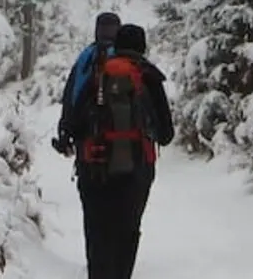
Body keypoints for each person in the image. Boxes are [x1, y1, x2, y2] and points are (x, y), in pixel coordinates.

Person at [69, 24, 174, 279]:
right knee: (127, 231)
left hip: (95, 166)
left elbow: (74, 122)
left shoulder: (97, 73)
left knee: (97, 231)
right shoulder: (149, 76)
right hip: (136, 172)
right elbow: (166, 134)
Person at [55, 12, 122, 156]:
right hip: (126, 145)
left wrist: (66, 131)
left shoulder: (87, 56)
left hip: (87, 140)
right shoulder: (127, 58)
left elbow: (71, 96)